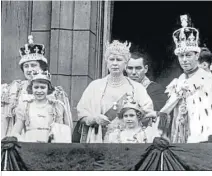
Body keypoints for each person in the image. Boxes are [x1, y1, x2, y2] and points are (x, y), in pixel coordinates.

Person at [145, 14, 212, 143]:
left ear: (197, 55)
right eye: (181, 56)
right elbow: (167, 113)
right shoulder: (177, 84)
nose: (185, 60)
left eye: (188, 55)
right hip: (179, 139)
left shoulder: (209, 81)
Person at [74, 40, 154, 143]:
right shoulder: (94, 86)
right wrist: (94, 119)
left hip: (129, 141)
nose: (115, 63)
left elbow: (147, 114)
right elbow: (82, 114)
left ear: (126, 63)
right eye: (111, 59)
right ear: (107, 62)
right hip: (99, 140)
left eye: (119, 59)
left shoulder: (137, 88)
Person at [1, 35, 73, 139]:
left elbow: (62, 126)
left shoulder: (56, 94)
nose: (30, 70)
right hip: (21, 140)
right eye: (26, 66)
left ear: (42, 67)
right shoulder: (13, 90)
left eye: (33, 65)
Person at [10, 71, 72, 143]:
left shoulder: (56, 106)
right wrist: (24, 140)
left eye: (42, 87)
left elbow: (61, 132)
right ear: (31, 88)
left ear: (48, 89)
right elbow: (15, 132)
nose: (39, 91)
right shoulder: (25, 106)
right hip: (29, 146)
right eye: (36, 87)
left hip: (50, 147)